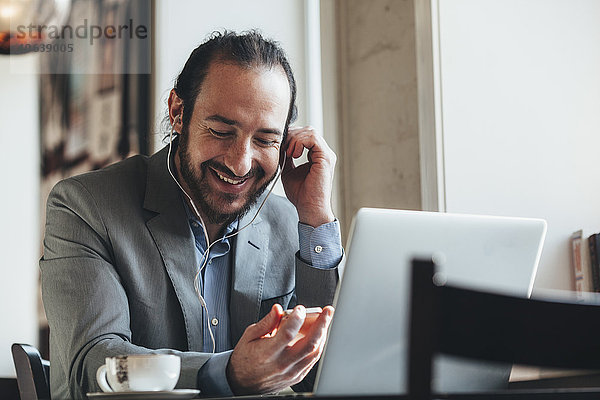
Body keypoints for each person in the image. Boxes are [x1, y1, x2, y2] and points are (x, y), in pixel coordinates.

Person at [40, 30, 343, 399]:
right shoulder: (85, 206)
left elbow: (319, 376)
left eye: (265, 140)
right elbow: (95, 367)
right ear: (178, 112)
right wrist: (227, 374)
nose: (240, 162)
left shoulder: (289, 224)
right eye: (220, 131)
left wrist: (315, 219)